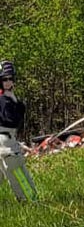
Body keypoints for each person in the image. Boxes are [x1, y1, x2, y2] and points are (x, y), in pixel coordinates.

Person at [0, 60, 37, 201]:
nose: (8, 82)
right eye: (4, 79)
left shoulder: (5, 97)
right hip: (5, 143)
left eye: (10, 78)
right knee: (20, 176)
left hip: (6, 140)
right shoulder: (4, 99)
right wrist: (15, 102)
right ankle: (30, 202)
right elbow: (12, 121)